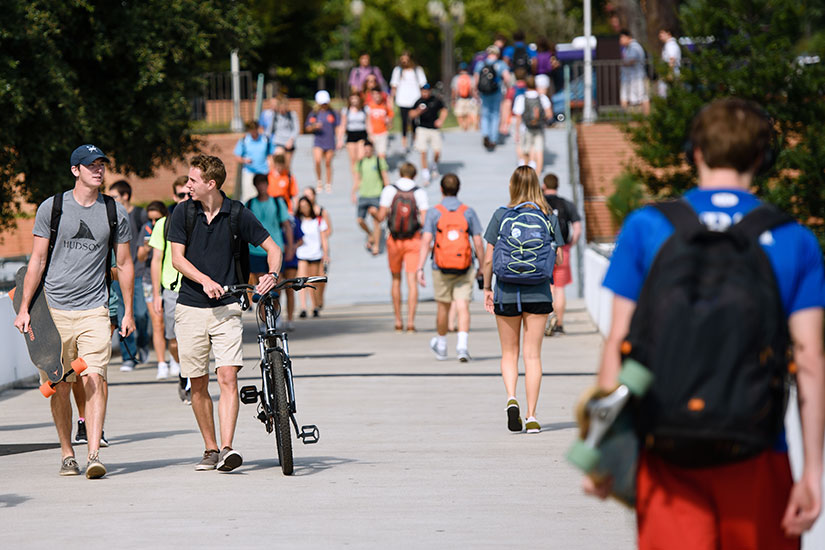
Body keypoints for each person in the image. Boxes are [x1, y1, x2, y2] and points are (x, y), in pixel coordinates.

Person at [585, 99, 825, 549]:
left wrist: (604, 451)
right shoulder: (795, 238)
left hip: (666, 451)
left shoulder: (647, 227)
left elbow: (618, 341)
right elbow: (810, 358)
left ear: (693, 152)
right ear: (761, 157)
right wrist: (812, 473)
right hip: (759, 449)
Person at [14, 144, 134, 478]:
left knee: (94, 375)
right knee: (61, 384)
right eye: (91, 165)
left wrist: (126, 312)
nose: (98, 169)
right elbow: (36, 260)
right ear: (75, 170)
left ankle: (94, 453)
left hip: (94, 307)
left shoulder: (115, 211)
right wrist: (25, 309)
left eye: (101, 164)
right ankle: (68, 452)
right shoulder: (52, 208)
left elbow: (124, 264)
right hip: (53, 310)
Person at [168, 154, 282, 472]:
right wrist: (205, 281)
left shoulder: (237, 214)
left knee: (228, 376)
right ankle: (210, 448)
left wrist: (271, 274)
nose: (187, 186)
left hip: (228, 307)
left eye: (192, 181)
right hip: (190, 306)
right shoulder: (182, 212)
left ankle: (228, 448)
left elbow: (274, 249)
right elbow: (177, 259)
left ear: (211, 184)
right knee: (198, 382)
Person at [481, 166, 564, 434]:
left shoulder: (501, 215)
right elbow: (559, 259)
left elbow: (487, 259)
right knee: (532, 355)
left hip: (506, 291)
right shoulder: (548, 216)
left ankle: (511, 398)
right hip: (538, 292)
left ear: (512, 186)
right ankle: (531, 416)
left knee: (509, 353)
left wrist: (486, 288)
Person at [416, 173, 485, 362]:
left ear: (441, 189)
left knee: (443, 307)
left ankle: (442, 345)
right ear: (459, 188)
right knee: (463, 306)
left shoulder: (434, 212)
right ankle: (462, 347)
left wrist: (419, 267)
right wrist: (482, 265)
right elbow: (478, 241)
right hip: (465, 266)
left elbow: (426, 241)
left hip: (441, 266)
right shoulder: (468, 212)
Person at [148, 176, 188, 402]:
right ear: (174, 197)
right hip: (172, 289)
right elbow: (156, 260)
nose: (185, 199)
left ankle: (193, 378)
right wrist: (156, 295)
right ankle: (183, 372)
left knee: (197, 340)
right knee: (173, 339)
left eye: (188, 194)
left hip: (197, 290)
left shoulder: (202, 221)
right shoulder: (164, 224)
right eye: (181, 195)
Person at [376, 162, 429, 332]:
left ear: (399, 173)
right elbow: (425, 219)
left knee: (396, 279)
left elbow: (381, 216)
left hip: (394, 239)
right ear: (414, 175)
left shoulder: (389, 190)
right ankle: (411, 322)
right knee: (412, 281)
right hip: (414, 239)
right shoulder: (419, 192)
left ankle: (398, 320)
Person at [108, 180, 150, 371]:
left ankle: (142, 342)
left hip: (139, 273)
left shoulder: (140, 215)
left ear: (125, 196)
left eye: (114, 196)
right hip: (118, 274)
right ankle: (129, 356)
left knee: (140, 314)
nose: (111, 200)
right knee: (121, 313)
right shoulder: (109, 216)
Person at [541, 173, 581, 336]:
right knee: (560, 288)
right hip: (562, 249)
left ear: (544, 186)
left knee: (548, 287)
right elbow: (577, 229)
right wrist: (570, 243)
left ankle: (547, 321)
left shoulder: (540, 204)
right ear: (557, 186)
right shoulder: (566, 204)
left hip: (543, 250)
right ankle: (559, 324)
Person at [140, 201, 172, 379]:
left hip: (168, 280)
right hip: (148, 279)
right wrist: (147, 246)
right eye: (150, 219)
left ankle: (174, 359)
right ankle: (161, 363)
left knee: (172, 324)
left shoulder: (169, 226)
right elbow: (139, 256)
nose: (153, 223)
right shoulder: (146, 229)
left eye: (157, 219)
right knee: (157, 322)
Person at [246, 174, 293, 287]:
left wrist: (290, 247)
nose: (261, 187)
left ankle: (275, 305)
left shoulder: (277, 203)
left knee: (276, 285)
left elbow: (287, 225)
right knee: (261, 286)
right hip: (256, 250)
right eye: (258, 184)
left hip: (276, 247)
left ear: (267, 184)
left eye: (263, 184)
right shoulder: (250, 204)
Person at [295, 196, 329, 318]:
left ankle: (314, 306)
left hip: (315, 254)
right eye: (301, 206)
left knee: (312, 283)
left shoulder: (318, 221)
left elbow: (323, 239)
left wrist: (326, 254)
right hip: (302, 254)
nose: (304, 208)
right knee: (302, 281)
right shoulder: (297, 221)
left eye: (306, 206)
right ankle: (303, 307)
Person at [353, 140, 389, 256]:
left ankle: (376, 246)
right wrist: (353, 192)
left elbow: (385, 178)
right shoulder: (361, 162)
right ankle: (370, 234)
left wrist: (388, 193)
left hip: (376, 194)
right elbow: (358, 180)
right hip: (364, 194)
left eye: (369, 149)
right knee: (359, 219)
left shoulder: (379, 161)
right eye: (365, 149)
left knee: (376, 220)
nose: (367, 151)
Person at [512, 76, 552, 174]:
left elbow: (518, 117)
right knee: (539, 151)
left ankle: (526, 175)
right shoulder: (542, 98)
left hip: (525, 128)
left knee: (525, 151)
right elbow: (549, 114)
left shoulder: (521, 98)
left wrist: (516, 131)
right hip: (539, 128)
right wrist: (540, 119)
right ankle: (537, 176)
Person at [474, 45, 511, 151]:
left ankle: (485, 133)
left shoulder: (481, 64)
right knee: (495, 114)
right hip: (496, 92)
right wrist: (507, 89)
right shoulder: (500, 64)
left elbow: (476, 79)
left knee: (485, 114)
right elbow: (507, 79)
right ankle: (493, 139)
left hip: (484, 93)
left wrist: (475, 92)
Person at [390, 51, 428, 151]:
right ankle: (404, 143)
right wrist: (391, 99)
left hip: (415, 99)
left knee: (415, 121)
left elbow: (423, 85)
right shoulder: (398, 71)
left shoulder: (417, 70)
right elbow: (394, 86)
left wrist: (424, 99)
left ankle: (415, 142)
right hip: (402, 100)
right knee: (404, 122)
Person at [412, 84, 448, 184]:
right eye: (423, 91)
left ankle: (434, 166)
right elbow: (411, 114)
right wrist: (418, 111)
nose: (425, 93)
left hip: (434, 129)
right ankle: (425, 174)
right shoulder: (418, 101)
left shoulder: (435, 100)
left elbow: (444, 109)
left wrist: (441, 120)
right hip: (422, 128)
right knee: (423, 151)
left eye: (427, 91)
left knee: (437, 150)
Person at [305, 90, 339, 194]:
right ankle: (319, 181)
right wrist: (315, 126)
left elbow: (337, 127)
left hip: (329, 140)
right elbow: (307, 128)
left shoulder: (333, 113)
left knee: (328, 162)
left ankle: (328, 183)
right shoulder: (314, 114)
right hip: (318, 141)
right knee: (318, 161)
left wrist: (339, 140)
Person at [233, 120, 272, 203]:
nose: (253, 132)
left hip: (263, 171)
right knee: (248, 195)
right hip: (249, 171)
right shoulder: (244, 140)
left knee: (264, 195)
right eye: (251, 130)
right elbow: (237, 156)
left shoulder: (265, 140)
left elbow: (270, 155)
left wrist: (271, 167)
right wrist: (244, 160)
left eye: (255, 129)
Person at [338, 93, 369, 188]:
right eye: (352, 98)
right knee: (353, 160)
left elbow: (368, 123)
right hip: (351, 135)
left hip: (362, 134)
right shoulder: (346, 111)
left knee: (361, 157)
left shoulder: (364, 109)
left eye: (356, 98)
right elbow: (343, 125)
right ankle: (356, 179)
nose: (354, 101)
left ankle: (362, 176)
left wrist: (371, 135)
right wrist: (340, 139)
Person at [280, 217, 304, 331]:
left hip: (291, 259)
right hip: (277, 258)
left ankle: (290, 319)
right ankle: (276, 316)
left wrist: (292, 247)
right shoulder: (273, 218)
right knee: (276, 290)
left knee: (290, 289)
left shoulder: (294, 220)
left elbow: (300, 239)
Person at [619, 29, 650, 115]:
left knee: (642, 97)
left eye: (622, 37)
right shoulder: (626, 48)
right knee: (625, 97)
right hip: (628, 77)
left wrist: (623, 63)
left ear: (628, 37)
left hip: (637, 77)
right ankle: (625, 117)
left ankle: (647, 117)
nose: (620, 40)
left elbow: (632, 60)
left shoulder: (635, 47)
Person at [265, 96, 300, 170]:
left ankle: (287, 180)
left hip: (289, 143)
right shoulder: (275, 115)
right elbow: (270, 129)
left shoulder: (292, 115)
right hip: (279, 142)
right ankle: (276, 180)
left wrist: (291, 140)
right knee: (278, 162)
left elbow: (296, 129)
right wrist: (265, 138)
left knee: (286, 166)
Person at [365, 87, 393, 160]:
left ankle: (382, 170)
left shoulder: (385, 106)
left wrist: (388, 122)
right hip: (372, 133)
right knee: (371, 155)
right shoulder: (369, 106)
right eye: (374, 94)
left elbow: (390, 119)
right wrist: (370, 133)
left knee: (382, 154)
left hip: (383, 133)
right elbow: (367, 121)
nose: (376, 96)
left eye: (378, 94)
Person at [451, 62, 478, 131]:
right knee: (469, 113)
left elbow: (454, 91)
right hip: (469, 98)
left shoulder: (456, 78)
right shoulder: (471, 78)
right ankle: (467, 125)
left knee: (459, 114)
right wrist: (476, 98)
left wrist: (453, 100)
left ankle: (463, 126)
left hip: (460, 99)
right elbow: (473, 89)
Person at [657, 28, 682, 97]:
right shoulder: (668, 44)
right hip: (668, 72)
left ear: (668, 34)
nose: (660, 35)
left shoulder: (671, 45)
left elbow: (672, 59)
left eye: (662, 33)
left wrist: (670, 73)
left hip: (670, 72)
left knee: (669, 95)